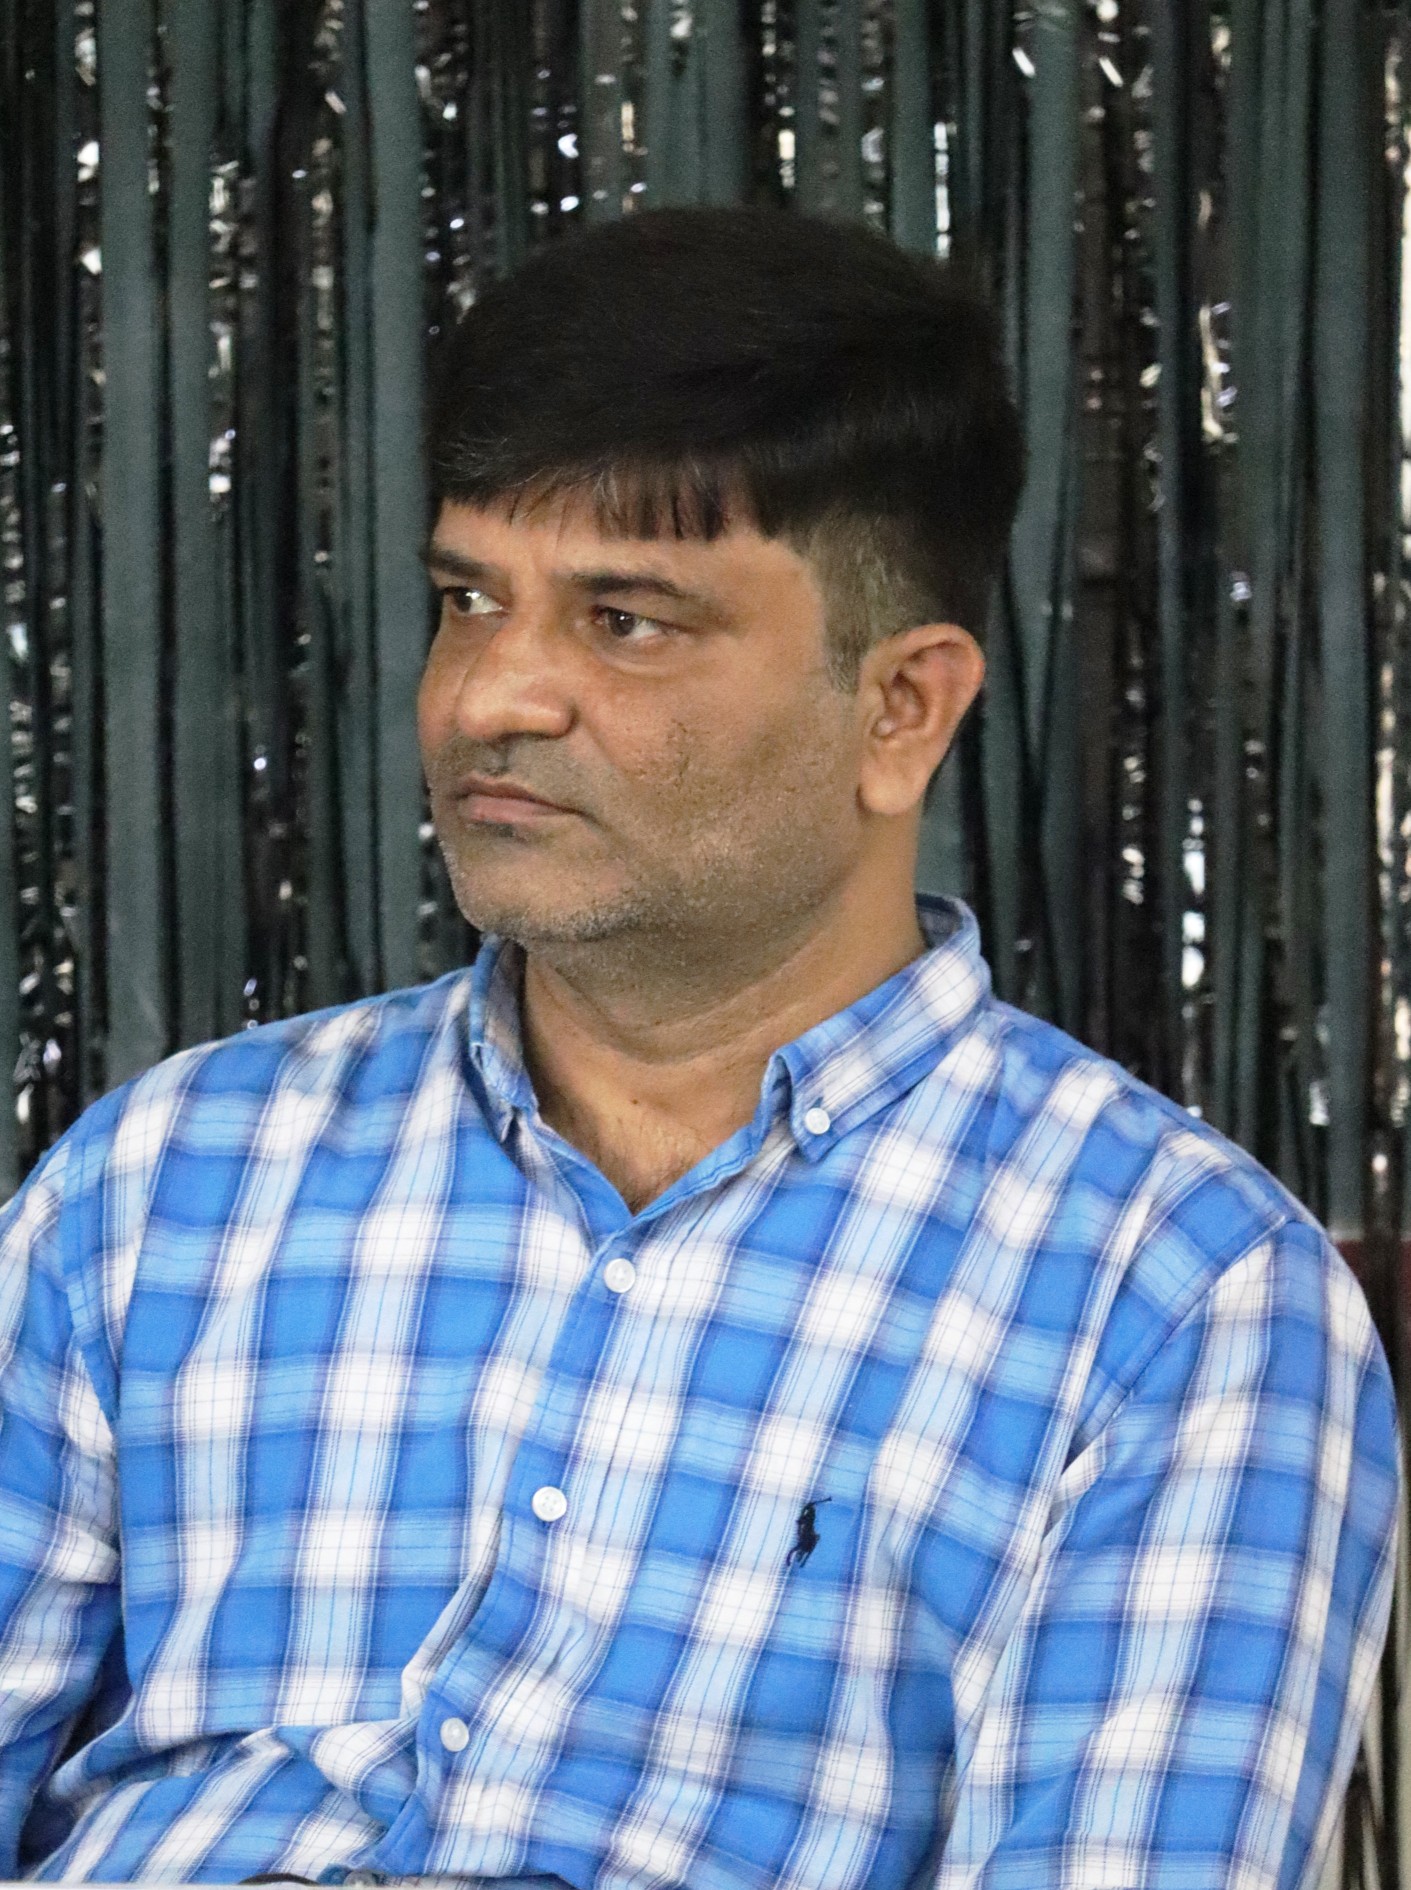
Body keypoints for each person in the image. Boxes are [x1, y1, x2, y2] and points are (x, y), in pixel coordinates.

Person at [0, 205, 1397, 1890]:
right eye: (468, 598)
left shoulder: (1174, 1298)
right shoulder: (169, 1175)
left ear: (902, 707)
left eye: (626, 619)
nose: (490, 697)